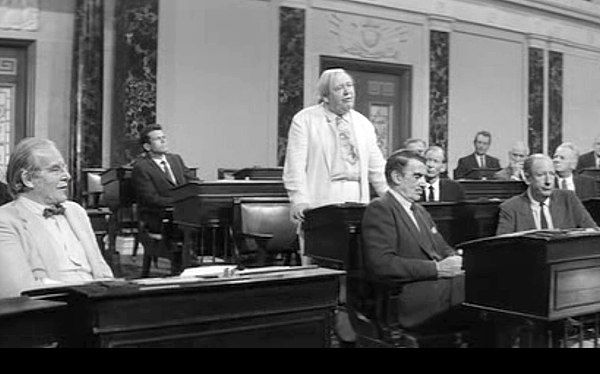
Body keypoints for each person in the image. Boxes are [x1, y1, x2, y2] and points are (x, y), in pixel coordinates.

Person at [283, 68, 388, 345]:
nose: (348, 91)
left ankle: (351, 321)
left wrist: (393, 199)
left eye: (350, 86)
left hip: (356, 200)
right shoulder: (305, 120)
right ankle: (321, 324)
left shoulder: (363, 123)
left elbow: (377, 167)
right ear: (325, 95)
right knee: (324, 266)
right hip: (322, 201)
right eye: (340, 87)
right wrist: (299, 198)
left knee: (355, 264)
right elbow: (295, 164)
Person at [361, 150, 464, 331]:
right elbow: (382, 264)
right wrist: (437, 269)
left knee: (482, 284)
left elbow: (442, 247)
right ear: (396, 177)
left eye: (424, 177)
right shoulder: (380, 208)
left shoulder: (420, 211)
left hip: (436, 286)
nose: (423, 183)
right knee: (478, 293)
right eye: (417, 176)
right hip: (410, 293)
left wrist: (458, 260)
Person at [0, 138, 114, 299]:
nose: (67, 176)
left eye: (65, 168)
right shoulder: (5, 220)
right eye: (55, 170)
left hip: (98, 306)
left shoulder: (76, 211)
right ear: (27, 179)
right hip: (52, 310)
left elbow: (102, 271)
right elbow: (17, 291)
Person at [496, 154, 597, 235]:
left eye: (552, 174)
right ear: (527, 178)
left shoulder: (568, 199)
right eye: (541, 175)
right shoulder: (510, 208)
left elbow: (593, 233)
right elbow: (502, 248)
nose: (548, 181)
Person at [131, 124, 198, 234]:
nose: (163, 141)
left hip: (183, 212)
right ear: (147, 146)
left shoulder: (176, 159)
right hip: (158, 215)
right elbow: (151, 199)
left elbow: (192, 181)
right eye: (158, 139)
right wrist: (181, 203)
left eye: (164, 138)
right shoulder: (141, 167)